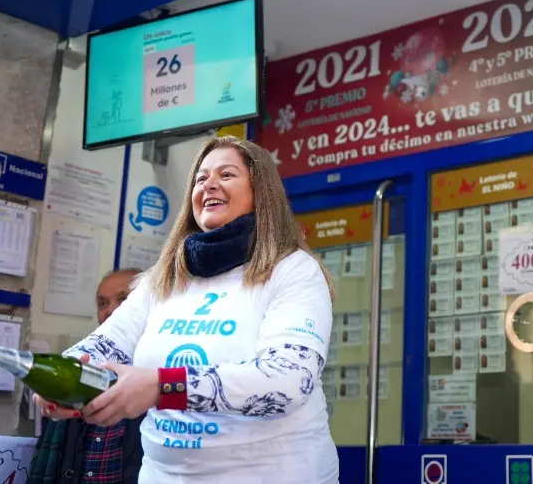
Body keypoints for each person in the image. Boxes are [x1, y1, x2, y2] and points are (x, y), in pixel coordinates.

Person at [34, 136, 338, 483]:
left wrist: (164, 386)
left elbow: (289, 381)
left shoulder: (293, 270)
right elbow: (107, 343)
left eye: (226, 175)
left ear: (261, 193)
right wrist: (65, 376)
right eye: (200, 178)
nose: (209, 184)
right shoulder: (164, 277)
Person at [28, 268, 145, 484]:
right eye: (102, 303)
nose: (110, 311)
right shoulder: (80, 367)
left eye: (124, 299)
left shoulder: (157, 375)